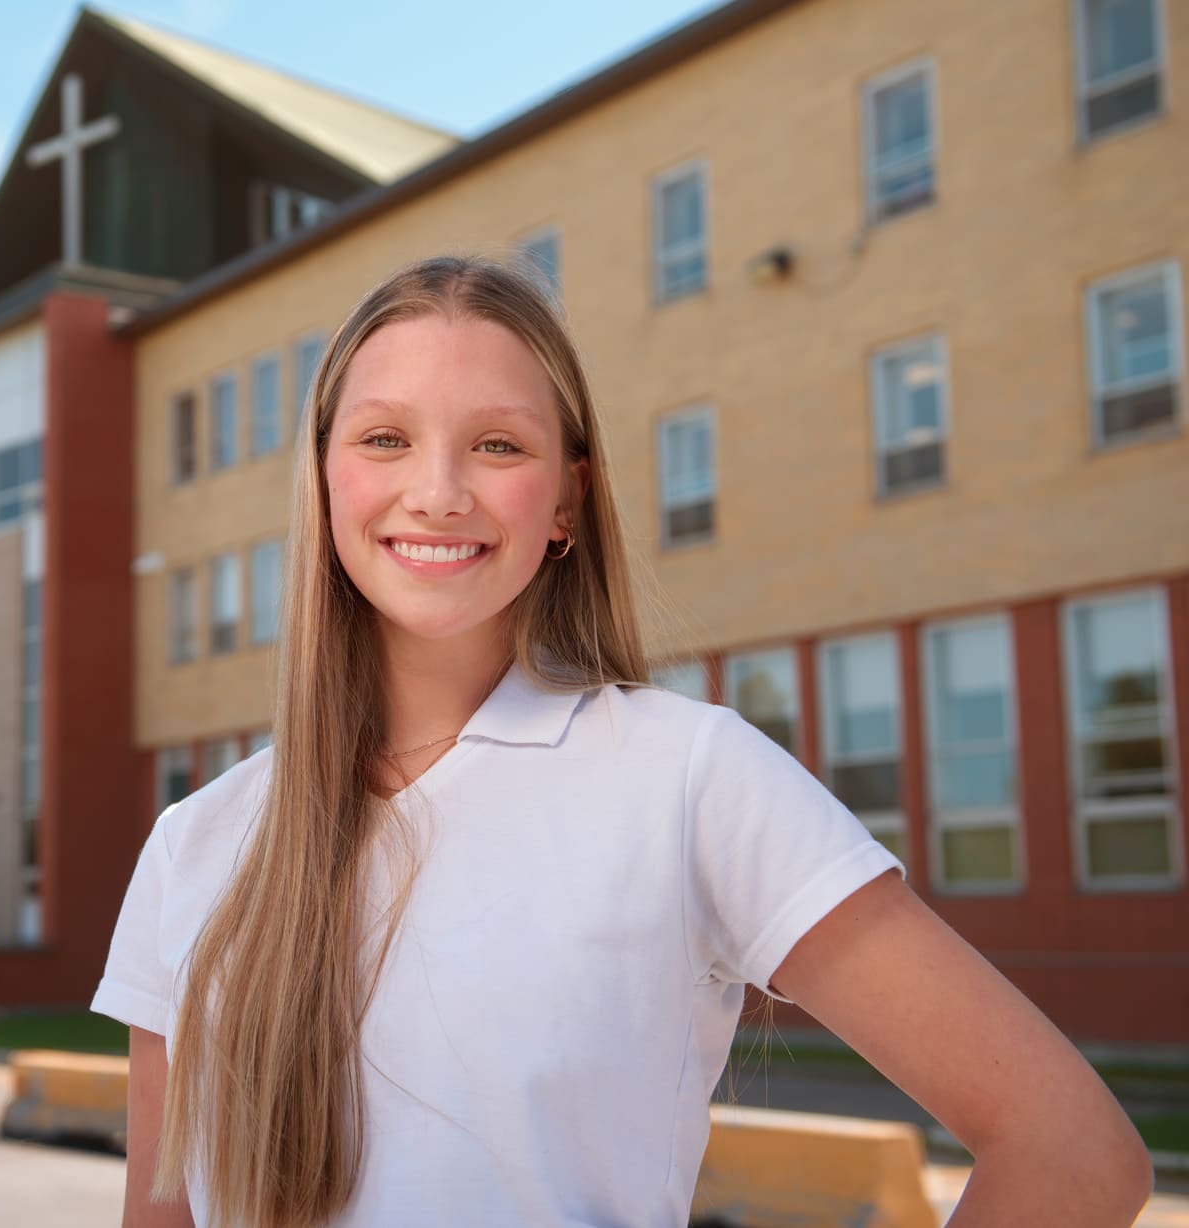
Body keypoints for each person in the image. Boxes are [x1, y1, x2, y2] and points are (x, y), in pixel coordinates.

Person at [91, 255, 1152, 1227]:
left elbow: (1070, 1150)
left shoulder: (687, 776)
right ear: (324, 482)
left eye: (498, 444)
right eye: (384, 438)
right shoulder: (196, 845)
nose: (438, 490)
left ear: (564, 501)